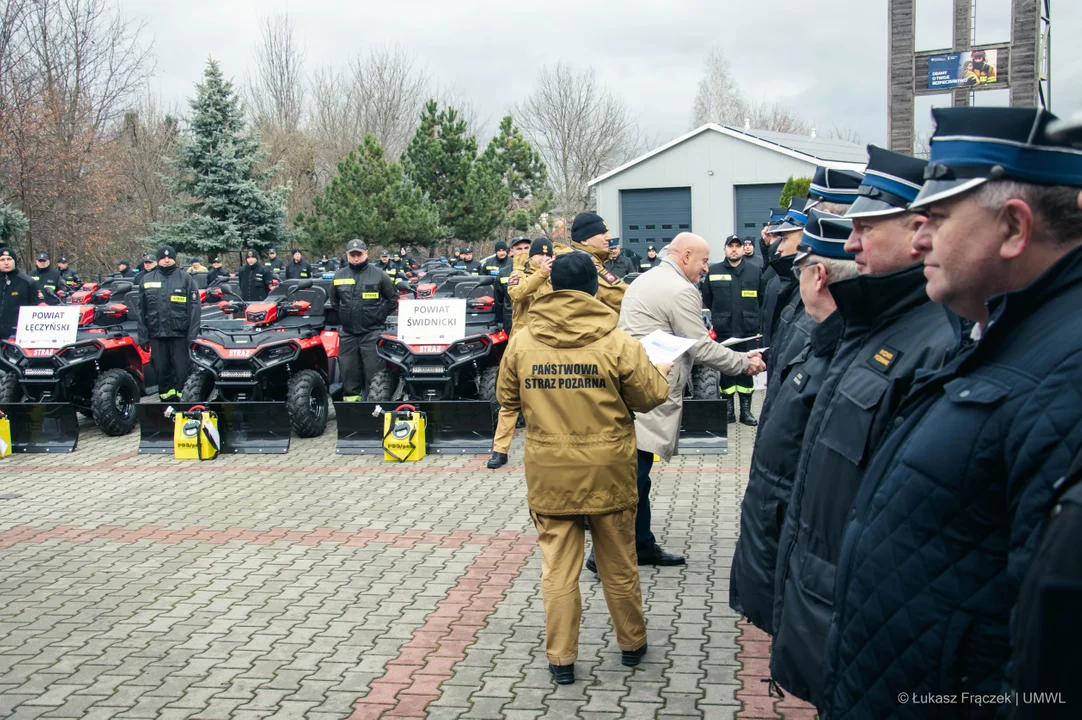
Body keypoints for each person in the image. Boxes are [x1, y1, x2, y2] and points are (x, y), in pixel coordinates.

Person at [820, 107, 1082, 720]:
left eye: (935, 218)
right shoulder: (1003, 336)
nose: (918, 239)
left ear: (1015, 229)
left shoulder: (1064, 375)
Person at [769, 145, 960, 708]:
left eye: (864, 227)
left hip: (861, 623)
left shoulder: (934, 342)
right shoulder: (872, 326)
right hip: (828, 604)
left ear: (918, 229)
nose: (851, 241)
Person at [496, 252, 671, 685]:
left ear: (551, 286)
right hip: (608, 471)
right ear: (595, 287)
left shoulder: (523, 340)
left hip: (550, 472)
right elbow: (651, 397)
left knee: (557, 569)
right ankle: (632, 645)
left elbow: (507, 397)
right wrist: (660, 369)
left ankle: (561, 660)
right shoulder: (617, 339)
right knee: (618, 563)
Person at [589, 232, 765, 574]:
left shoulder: (647, 278)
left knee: (638, 471)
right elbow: (700, 347)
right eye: (702, 261)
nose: (705, 269)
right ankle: (605, 552)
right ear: (684, 256)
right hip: (649, 387)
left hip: (631, 384)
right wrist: (745, 362)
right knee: (633, 475)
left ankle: (640, 543)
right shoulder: (681, 290)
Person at [728, 209, 857, 636]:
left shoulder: (829, 332)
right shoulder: (799, 309)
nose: (780, 247)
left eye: (787, 240)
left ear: (818, 275)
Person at [487, 238, 555, 469]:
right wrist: (541, 274)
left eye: (548, 256)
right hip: (522, 343)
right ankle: (500, 450)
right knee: (510, 397)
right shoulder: (519, 273)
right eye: (539, 256)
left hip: (548, 342)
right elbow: (517, 294)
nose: (543, 259)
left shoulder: (555, 277)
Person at [702, 235, 762, 425]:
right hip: (724, 331)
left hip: (747, 331)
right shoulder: (713, 271)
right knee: (726, 370)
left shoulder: (755, 271)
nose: (734, 249)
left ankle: (746, 411)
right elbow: (708, 298)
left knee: (747, 369)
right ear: (725, 249)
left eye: (738, 246)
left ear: (744, 249)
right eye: (731, 246)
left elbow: (761, 299)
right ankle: (728, 410)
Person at [330, 239, 397, 402]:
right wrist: (348, 314)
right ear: (347, 255)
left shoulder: (379, 274)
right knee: (348, 374)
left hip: (372, 333)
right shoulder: (339, 276)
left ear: (366, 253)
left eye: (358, 254)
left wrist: (379, 315)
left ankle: (375, 408)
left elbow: (393, 298)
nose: (355, 258)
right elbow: (334, 301)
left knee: (374, 374)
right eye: (352, 255)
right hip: (348, 334)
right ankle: (353, 410)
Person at [132, 246, 201, 401]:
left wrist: (192, 336)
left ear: (174, 259)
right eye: (163, 258)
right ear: (158, 260)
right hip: (157, 335)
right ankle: (165, 402)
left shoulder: (186, 278)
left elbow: (195, 309)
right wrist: (143, 337)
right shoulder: (147, 280)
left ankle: (183, 403)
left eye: (170, 257)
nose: (167, 259)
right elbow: (141, 311)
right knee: (161, 370)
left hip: (180, 335)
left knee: (182, 370)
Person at [569, 213, 625, 313]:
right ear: (584, 240)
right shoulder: (585, 264)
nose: (609, 238)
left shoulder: (573, 258)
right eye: (602, 233)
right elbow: (618, 295)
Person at [0, 248, 42, 339]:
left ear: (14, 261)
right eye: (2, 260)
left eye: (9, 259)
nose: (6, 263)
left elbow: (40, 307)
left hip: (17, 336)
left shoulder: (28, 282)